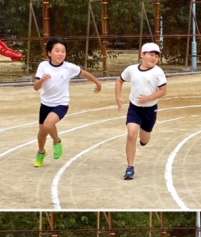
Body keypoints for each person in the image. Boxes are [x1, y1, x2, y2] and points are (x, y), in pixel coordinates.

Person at [33, 36, 102, 167]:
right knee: (42, 133)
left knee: (48, 125)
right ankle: (41, 152)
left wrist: (97, 83)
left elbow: (84, 73)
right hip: (45, 104)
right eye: (57, 51)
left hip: (61, 104)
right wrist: (42, 80)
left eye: (63, 51)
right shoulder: (43, 66)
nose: (60, 54)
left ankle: (56, 141)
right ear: (49, 53)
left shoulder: (69, 67)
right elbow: (35, 87)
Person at [115, 42, 167, 180]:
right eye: (151, 54)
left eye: (156, 55)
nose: (154, 58)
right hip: (135, 108)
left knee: (144, 139)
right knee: (131, 134)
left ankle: (144, 140)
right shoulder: (132, 70)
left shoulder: (158, 72)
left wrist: (149, 98)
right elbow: (119, 81)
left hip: (150, 110)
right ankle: (130, 167)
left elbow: (163, 91)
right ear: (142, 55)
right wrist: (118, 97)